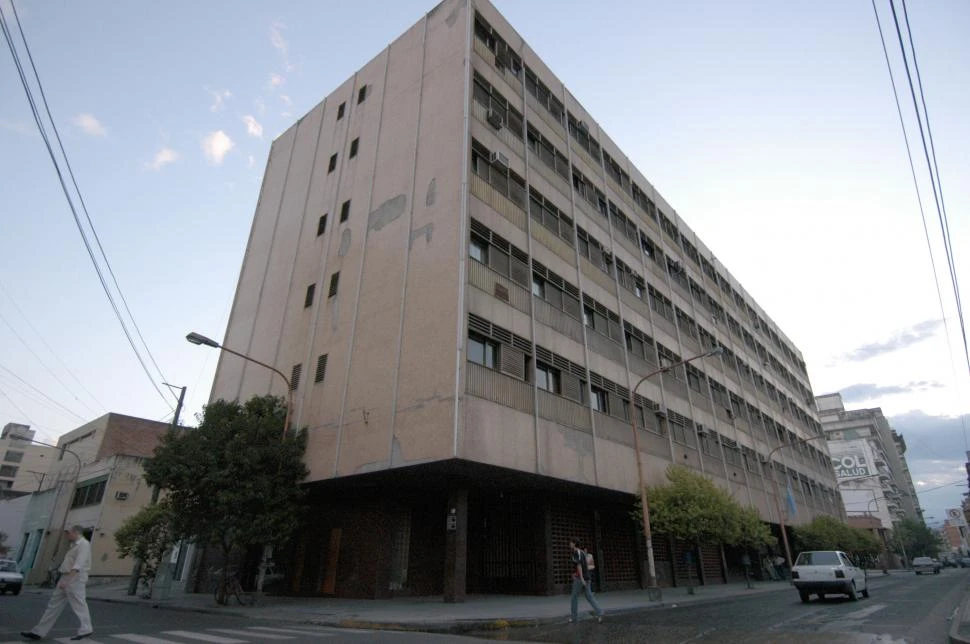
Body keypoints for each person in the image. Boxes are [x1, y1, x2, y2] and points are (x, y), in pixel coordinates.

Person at [22, 525, 94, 641]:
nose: (67, 535)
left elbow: (79, 564)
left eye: (69, 532)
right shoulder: (74, 545)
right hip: (66, 576)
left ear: (76, 532)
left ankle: (86, 628)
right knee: (53, 605)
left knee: (79, 603)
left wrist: (68, 581)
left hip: (75, 578)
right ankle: (38, 632)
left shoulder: (83, 544)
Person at [568, 538, 603, 624]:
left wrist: (581, 578)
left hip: (580, 579)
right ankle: (600, 612)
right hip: (586, 578)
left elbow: (579, 565)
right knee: (589, 597)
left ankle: (574, 617)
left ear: (574, 543)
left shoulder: (577, 552)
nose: (570, 544)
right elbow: (584, 566)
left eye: (571, 542)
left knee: (574, 597)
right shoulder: (583, 552)